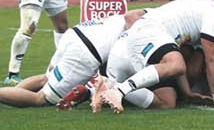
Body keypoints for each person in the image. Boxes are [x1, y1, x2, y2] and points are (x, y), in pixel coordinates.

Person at [94, 0, 214, 113]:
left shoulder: (178, 18)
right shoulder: (162, 18)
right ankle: (118, 88)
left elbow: (178, 66)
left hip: (144, 53)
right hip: (129, 50)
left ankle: (107, 86)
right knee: (176, 63)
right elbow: (130, 17)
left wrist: (187, 93)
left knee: (167, 101)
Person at [0, 9, 146, 107]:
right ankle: (10, 94)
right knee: (42, 98)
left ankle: (13, 93)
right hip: (87, 51)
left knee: (46, 78)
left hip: (76, 34)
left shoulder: (152, 13)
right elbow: (130, 21)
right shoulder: (154, 21)